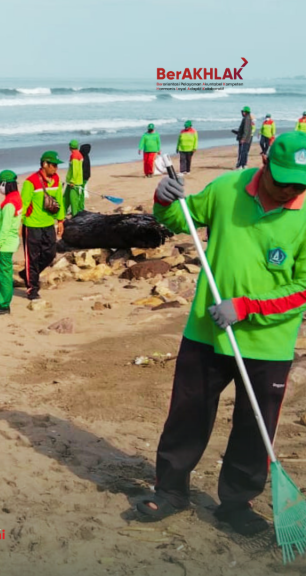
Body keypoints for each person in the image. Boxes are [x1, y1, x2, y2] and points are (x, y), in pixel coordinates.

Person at [135, 131, 306, 536]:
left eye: (299, 185)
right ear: (265, 166)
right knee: (187, 414)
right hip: (206, 331)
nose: (289, 192)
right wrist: (164, 197)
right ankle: (172, 490)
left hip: (268, 342)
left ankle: (236, 503)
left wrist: (246, 307)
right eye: (283, 181)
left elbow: (303, 287)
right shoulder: (227, 188)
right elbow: (179, 220)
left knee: (254, 424)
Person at [20, 151, 66, 300]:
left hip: (48, 224)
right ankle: (32, 289)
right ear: (44, 164)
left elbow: (59, 199)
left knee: (50, 254)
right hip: (31, 225)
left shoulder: (56, 179)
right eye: (53, 165)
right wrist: (19, 224)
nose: (56, 168)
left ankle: (27, 274)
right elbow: (23, 204)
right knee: (32, 258)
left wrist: (60, 220)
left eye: (57, 165)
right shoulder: (30, 182)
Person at [0, 170, 23, 316]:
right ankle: (3, 302)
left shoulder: (9, 203)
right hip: (6, 243)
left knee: (3, 276)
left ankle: (3, 305)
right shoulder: (15, 197)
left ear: (5, 184)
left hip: (4, 245)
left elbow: (5, 227)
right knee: (4, 274)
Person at [63, 140, 85, 217]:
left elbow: (75, 170)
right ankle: (62, 214)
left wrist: (73, 181)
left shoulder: (75, 155)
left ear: (70, 147)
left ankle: (75, 216)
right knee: (65, 198)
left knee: (73, 200)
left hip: (75, 182)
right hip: (70, 182)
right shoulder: (77, 154)